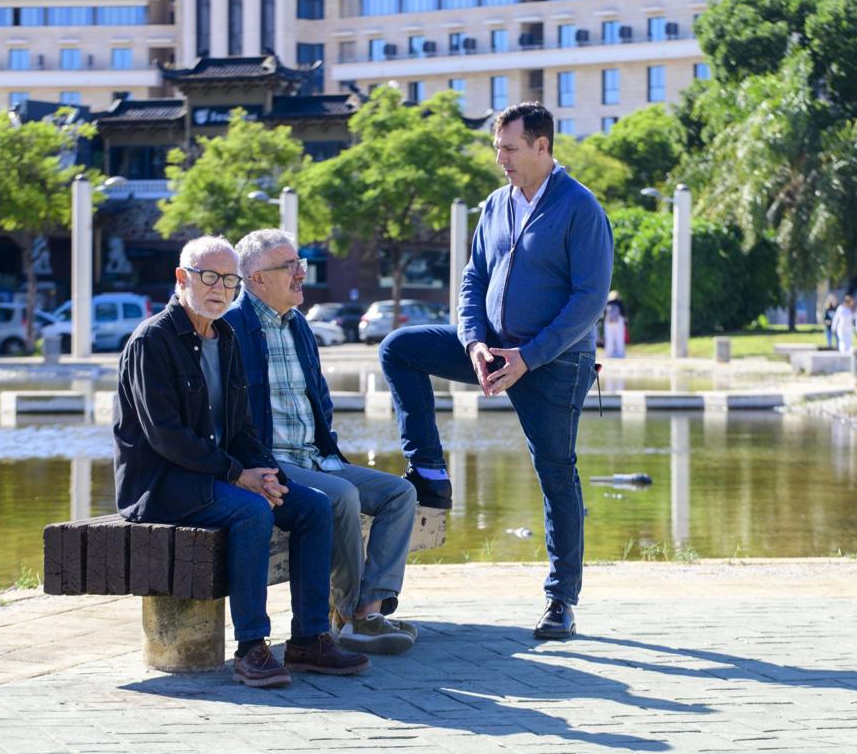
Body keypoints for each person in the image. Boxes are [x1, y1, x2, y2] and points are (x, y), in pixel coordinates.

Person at [379, 102, 612, 640]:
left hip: (554, 362)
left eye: (508, 147)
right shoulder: (494, 205)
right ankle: (431, 473)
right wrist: (475, 342)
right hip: (495, 349)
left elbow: (589, 299)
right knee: (399, 348)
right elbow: (471, 280)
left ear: (541, 146)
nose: (499, 157)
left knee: (556, 473)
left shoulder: (580, 208)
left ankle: (561, 600)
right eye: (496, 147)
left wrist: (528, 357)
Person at [113, 235, 369, 689]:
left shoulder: (225, 336)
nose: (219, 289)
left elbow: (242, 429)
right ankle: (252, 647)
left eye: (229, 281)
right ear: (181, 278)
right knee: (250, 511)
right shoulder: (152, 341)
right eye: (208, 277)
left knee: (309, 505)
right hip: (163, 485)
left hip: (218, 477)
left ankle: (309, 639)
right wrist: (238, 475)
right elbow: (167, 437)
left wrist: (266, 474)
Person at [226, 229, 419, 656]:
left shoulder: (299, 325)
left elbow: (320, 399)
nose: (300, 274)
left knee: (401, 494)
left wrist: (325, 446)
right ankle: (349, 617)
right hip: (271, 464)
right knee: (342, 496)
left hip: (317, 458)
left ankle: (368, 610)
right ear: (257, 279)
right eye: (288, 266)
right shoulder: (232, 328)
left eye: (300, 264)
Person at [603, 290, 627, 358]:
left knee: (609, 337)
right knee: (619, 337)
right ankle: (620, 353)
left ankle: (609, 353)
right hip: (618, 320)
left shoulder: (607, 302)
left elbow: (604, 313)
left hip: (608, 321)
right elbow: (623, 312)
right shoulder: (619, 302)